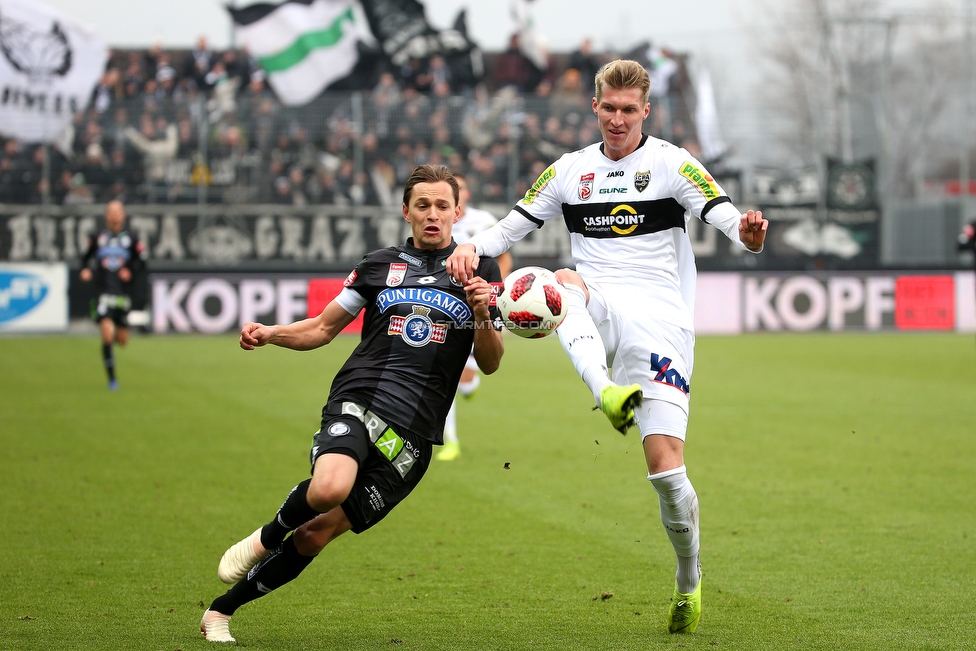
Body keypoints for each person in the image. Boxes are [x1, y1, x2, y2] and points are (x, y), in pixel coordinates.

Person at [446, 59, 768, 634]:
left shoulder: (670, 162)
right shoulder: (570, 171)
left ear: (646, 111)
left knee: (666, 470)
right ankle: (607, 392)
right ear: (594, 108)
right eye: (609, 109)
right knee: (558, 282)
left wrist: (746, 235)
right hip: (595, 298)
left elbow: (722, 212)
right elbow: (511, 226)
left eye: (629, 110)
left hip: (661, 319)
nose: (618, 120)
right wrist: (471, 246)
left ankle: (689, 582)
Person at [200, 164, 505, 643]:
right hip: (362, 399)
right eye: (422, 205)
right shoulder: (379, 265)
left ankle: (220, 612)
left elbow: (490, 363)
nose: (432, 214)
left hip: (416, 436)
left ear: (457, 212)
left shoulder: (480, 270)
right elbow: (322, 328)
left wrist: (483, 310)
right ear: (405, 211)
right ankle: (264, 536)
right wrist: (271, 333)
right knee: (327, 489)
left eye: (441, 206)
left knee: (315, 534)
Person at [437, 172, 513, 461]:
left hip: (482, 304)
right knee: (446, 373)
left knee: (466, 379)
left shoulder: (483, 222)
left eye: (463, 188)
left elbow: (503, 257)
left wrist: (494, 288)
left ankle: (471, 384)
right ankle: (450, 441)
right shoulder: (438, 224)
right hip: (448, 307)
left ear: (465, 195)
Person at [78, 200, 145, 390]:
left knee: (122, 341)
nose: (115, 215)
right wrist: (85, 270)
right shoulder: (97, 237)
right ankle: (112, 380)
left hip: (123, 296)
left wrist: (130, 271)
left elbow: (142, 264)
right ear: (106, 215)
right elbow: (85, 258)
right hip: (103, 293)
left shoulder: (132, 238)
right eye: (111, 212)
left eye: (118, 212)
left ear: (123, 215)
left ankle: (114, 332)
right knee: (107, 336)